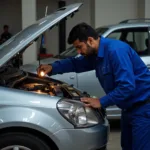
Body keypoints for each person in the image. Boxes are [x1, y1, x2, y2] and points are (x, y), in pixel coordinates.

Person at [37, 22, 150, 150]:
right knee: (127, 146)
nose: (79, 52)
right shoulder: (96, 55)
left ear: (90, 40)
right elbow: (76, 63)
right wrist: (52, 68)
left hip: (143, 108)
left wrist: (101, 101)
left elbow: (127, 86)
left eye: (80, 47)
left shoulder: (116, 51)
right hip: (129, 109)